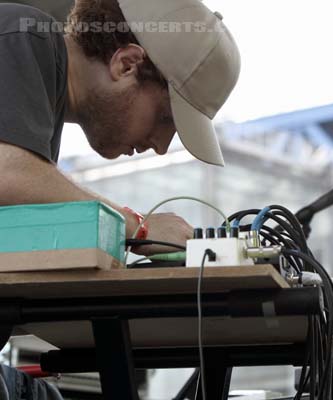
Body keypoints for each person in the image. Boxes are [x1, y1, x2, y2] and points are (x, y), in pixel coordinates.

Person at [0, 0, 240, 397]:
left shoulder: (37, 104)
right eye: (166, 119)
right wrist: (140, 228)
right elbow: (6, 175)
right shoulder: (24, 37)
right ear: (126, 64)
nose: (161, 146)